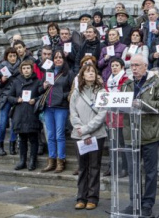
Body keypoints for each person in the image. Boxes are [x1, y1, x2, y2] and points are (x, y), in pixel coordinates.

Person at [121, 54, 159, 217]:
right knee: (133, 171)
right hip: (130, 134)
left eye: (137, 65)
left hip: (149, 133)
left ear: (145, 66)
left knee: (150, 172)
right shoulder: (126, 85)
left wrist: (144, 104)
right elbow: (119, 104)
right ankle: (134, 202)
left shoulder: (155, 83)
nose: (133, 68)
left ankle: (147, 203)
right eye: (132, 65)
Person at [70, 64, 107, 211]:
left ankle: (92, 198)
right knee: (82, 167)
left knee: (94, 167)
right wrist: (83, 132)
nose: (90, 74)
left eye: (93, 71)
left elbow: (102, 114)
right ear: (82, 75)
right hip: (79, 135)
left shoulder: (102, 92)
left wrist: (87, 129)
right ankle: (81, 197)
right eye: (87, 72)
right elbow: (73, 114)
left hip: (97, 135)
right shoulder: (76, 93)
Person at [40, 50, 75, 173]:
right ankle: (52, 160)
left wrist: (61, 95)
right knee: (50, 135)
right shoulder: (48, 72)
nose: (58, 59)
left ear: (63, 60)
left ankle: (61, 160)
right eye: (56, 57)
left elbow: (73, 90)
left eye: (60, 57)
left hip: (61, 107)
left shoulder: (68, 73)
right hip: (48, 107)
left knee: (59, 135)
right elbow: (40, 89)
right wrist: (43, 86)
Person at [7, 60, 41, 171]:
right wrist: (17, 99)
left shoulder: (37, 81)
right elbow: (9, 97)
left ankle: (32, 161)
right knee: (22, 139)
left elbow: (41, 96)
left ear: (32, 69)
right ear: (21, 70)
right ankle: (22, 161)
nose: (26, 70)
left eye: (28, 68)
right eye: (24, 68)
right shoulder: (16, 81)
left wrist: (34, 100)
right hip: (20, 113)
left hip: (32, 113)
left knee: (33, 138)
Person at [102, 58, 130, 177]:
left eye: (116, 65)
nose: (114, 68)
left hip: (122, 116)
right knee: (112, 144)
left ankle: (125, 167)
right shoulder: (108, 81)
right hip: (110, 116)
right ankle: (112, 166)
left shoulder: (126, 80)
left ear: (122, 67)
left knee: (122, 144)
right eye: (112, 65)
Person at [0, 47, 20, 156]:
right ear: (6, 57)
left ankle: (12, 145)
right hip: (5, 97)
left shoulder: (21, 66)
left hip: (16, 97)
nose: (13, 58)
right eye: (10, 56)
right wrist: (1, 80)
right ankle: (0, 145)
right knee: (3, 123)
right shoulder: (0, 67)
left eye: (14, 56)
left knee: (14, 124)